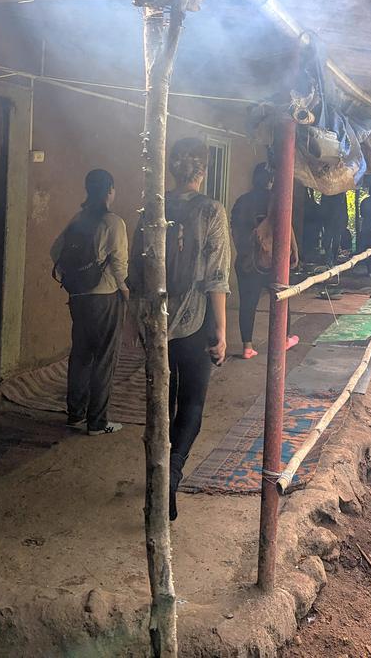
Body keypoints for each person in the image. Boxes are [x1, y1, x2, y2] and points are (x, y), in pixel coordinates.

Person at [162, 138, 231, 521]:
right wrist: (220, 332)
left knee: (161, 402)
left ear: (173, 169)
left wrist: (132, 323)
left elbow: (137, 274)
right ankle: (172, 471)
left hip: (156, 323)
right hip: (194, 323)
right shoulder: (211, 212)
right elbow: (216, 277)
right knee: (192, 403)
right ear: (202, 171)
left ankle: (158, 469)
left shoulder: (151, 209)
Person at [50, 169, 129, 435]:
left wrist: (71, 276)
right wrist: (125, 291)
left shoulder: (79, 219)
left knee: (81, 355)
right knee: (105, 358)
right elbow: (119, 265)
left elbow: (55, 250)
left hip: (78, 297)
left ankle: (75, 414)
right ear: (109, 191)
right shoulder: (113, 223)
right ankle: (97, 421)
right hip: (104, 297)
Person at [229, 164, 299, 360]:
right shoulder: (275, 200)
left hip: (247, 261)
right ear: (271, 181)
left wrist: (245, 252)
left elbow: (235, 230)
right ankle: (284, 338)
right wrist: (293, 252)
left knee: (247, 303)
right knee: (281, 297)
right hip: (272, 261)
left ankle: (247, 347)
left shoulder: (242, 201)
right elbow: (287, 228)